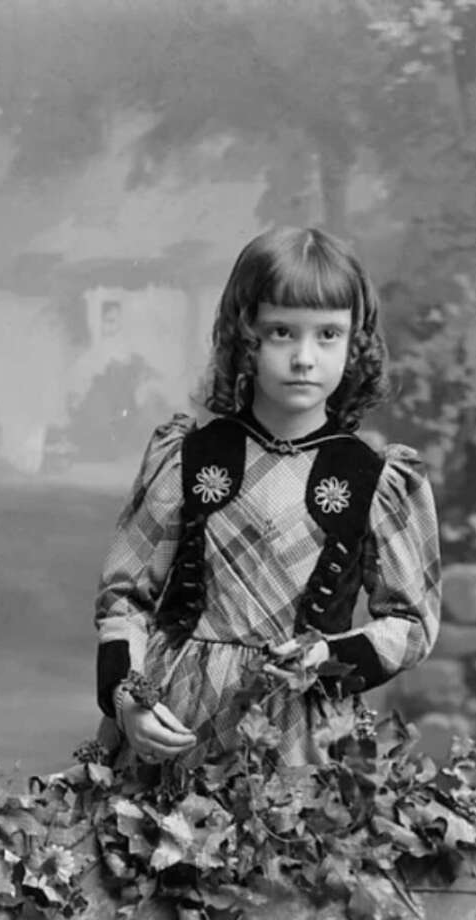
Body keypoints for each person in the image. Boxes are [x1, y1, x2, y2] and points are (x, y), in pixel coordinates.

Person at [94, 227, 441, 770]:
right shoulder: (188, 457)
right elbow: (125, 600)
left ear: (356, 344)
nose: (305, 357)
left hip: (305, 737)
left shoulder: (373, 479)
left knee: (289, 848)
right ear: (245, 335)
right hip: (177, 723)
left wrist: (330, 655)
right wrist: (128, 702)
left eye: (328, 334)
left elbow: (410, 623)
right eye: (282, 332)